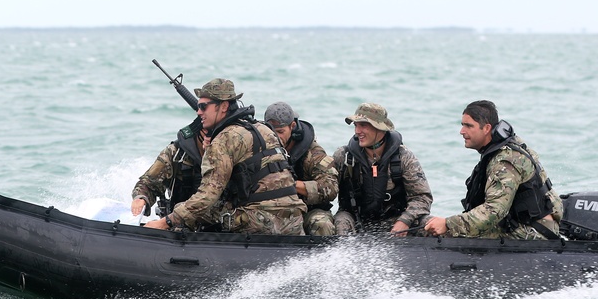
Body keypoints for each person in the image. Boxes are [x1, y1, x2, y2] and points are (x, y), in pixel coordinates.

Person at [144, 78, 307, 235]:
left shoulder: (224, 140)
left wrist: (165, 222)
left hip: (262, 222)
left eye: (203, 106)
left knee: (186, 211)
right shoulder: (263, 130)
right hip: (294, 219)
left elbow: (207, 198)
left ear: (223, 107)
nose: (198, 111)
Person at [424, 100, 563, 240]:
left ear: (486, 128)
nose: (462, 131)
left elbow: (494, 211)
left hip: (533, 232)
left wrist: (448, 224)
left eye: (468, 126)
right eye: (462, 125)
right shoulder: (502, 148)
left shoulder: (506, 161)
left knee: (447, 236)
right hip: (519, 224)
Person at [332, 103, 433, 236]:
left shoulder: (404, 157)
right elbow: (327, 188)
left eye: (363, 125)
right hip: (355, 220)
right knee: (338, 223)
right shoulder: (344, 156)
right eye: (356, 125)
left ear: (379, 128)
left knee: (430, 224)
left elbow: (422, 197)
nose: (357, 131)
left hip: (395, 222)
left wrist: (405, 220)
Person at [263, 102, 338, 236]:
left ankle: (325, 256)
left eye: (280, 132)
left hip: (309, 210)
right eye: (271, 131)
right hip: (274, 210)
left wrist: (290, 185)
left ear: (292, 126)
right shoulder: (262, 148)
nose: (275, 137)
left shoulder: (312, 153)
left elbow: (330, 188)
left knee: (322, 224)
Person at [130, 115, 218, 228]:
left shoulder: (232, 153)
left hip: (221, 230)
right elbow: (148, 183)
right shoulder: (177, 154)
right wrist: (141, 198)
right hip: (177, 227)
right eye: (209, 135)